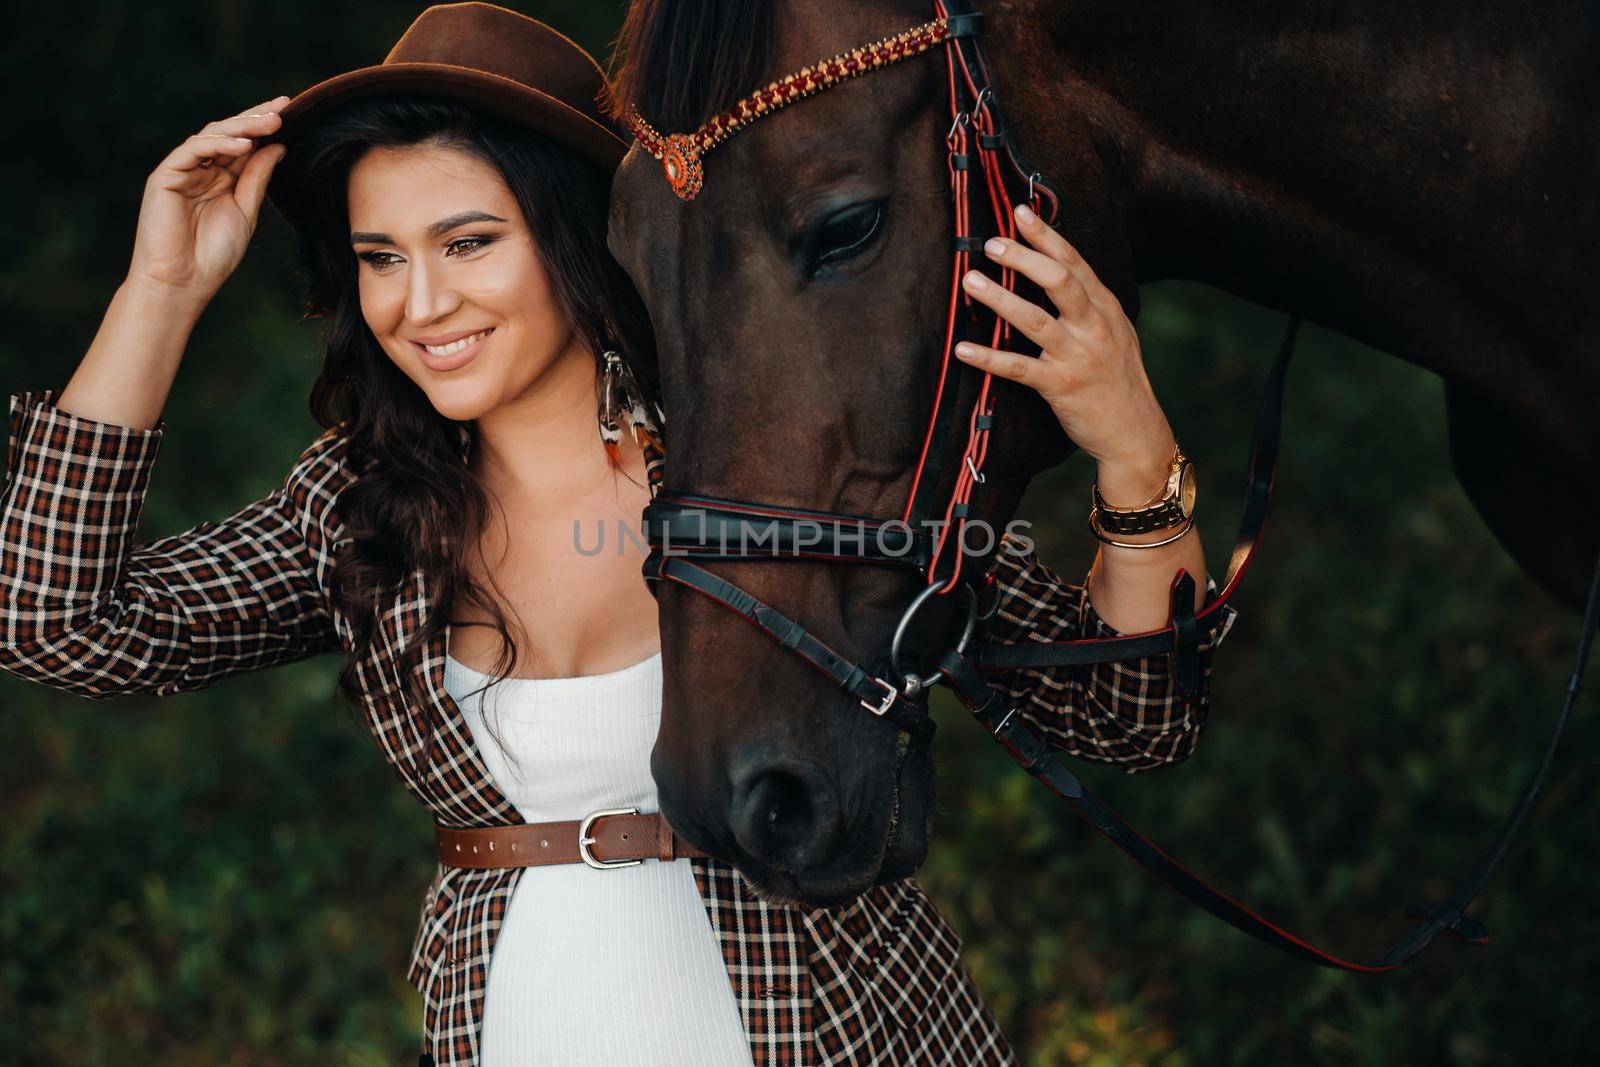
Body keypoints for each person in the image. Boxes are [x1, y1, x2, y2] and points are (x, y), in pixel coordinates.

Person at [0, 4, 1235, 1065]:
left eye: (468, 242)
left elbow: (1129, 719)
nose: (419, 303)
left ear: (573, 236)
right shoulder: (368, 505)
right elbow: (54, 623)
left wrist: (1132, 450)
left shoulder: (759, 457)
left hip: (839, 1030)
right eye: (381, 257)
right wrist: (158, 293)